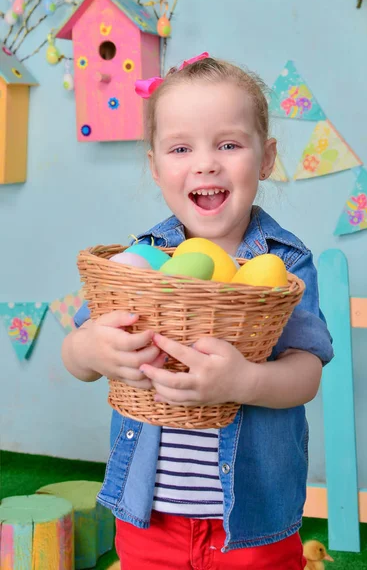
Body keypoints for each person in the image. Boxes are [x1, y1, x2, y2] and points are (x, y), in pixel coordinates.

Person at [62, 52, 334, 570]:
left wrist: (244, 383)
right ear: (155, 166)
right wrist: (90, 348)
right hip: (152, 515)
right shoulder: (143, 259)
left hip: (252, 520)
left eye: (228, 144)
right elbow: (76, 358)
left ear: (267, 157)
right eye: (181, 147)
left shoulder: (284, 262)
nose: (206, 163)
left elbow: (306, 372)